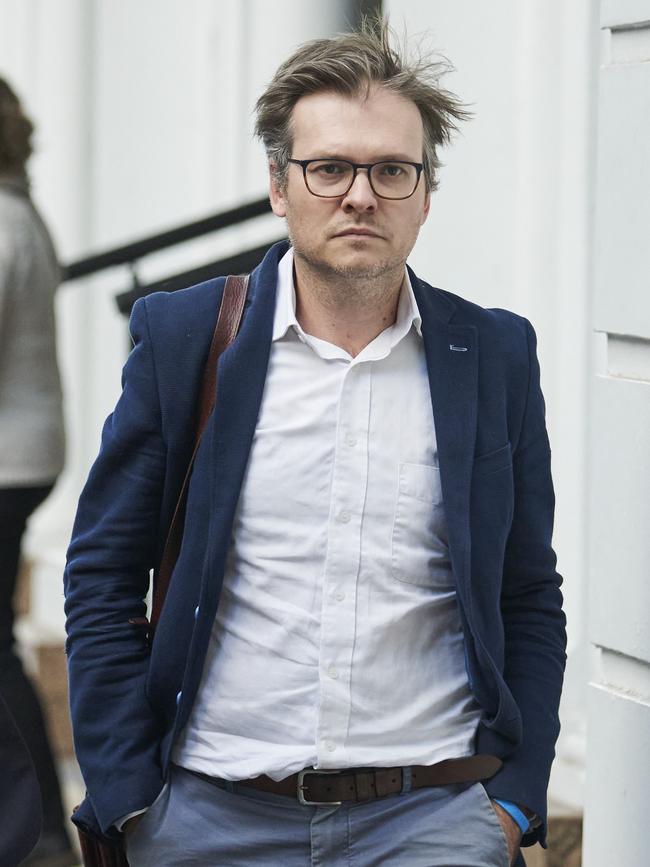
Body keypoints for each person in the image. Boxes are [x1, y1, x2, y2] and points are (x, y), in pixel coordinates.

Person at [64, 20, 566, 867]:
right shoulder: (188, 340)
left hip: (431, 821)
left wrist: (513, 800)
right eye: (329, 167)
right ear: (278, 185)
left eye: (391, 169)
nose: (360, 195)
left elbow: (527, 593)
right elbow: (103, 575)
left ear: (425, 193)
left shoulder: (495, 356)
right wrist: (129, 797)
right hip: (207, 821)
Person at [0, 79, 76, 867]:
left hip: (7, 461)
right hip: (24, 456)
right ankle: (39, 826)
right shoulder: (18, 208)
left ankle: (35, 828)